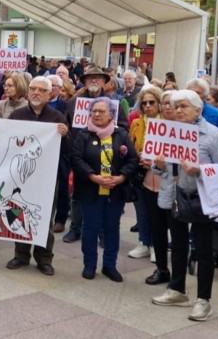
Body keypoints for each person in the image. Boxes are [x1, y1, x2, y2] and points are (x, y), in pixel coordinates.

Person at [150, 89, 218, 321]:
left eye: (183, 106)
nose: (177, 110)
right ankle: (177, 290)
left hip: (203, 200)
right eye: (175, 106)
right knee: (177, 246)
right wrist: (157, 165)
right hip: (176, 195)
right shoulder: (169, 133)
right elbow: (160, 169)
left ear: (198, 109)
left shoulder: (214, 135)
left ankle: (203, 300)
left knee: (204, 252)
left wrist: (200, 170)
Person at [4, 76, 70, 275]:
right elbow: (3, 139)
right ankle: (21, 255)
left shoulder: (57, 117)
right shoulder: (17, 115)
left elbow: (68, 150)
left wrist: (65, 135)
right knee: (18, 214)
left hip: (47, 178)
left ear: (50, 95)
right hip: (21, 177)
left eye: (42, 90)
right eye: (33, 89)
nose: (36, 93)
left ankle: (44, 258)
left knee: (44, 219)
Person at [71, 97, 139, 282]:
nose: (97, 114)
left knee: (111, 229)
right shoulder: (83, 135)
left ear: (111, 115)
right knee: (90, 229)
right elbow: (76, 159)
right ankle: (89, 265)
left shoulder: (121, 134)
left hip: (115, 192)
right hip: (90, 191)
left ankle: (110, 265)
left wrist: (121, 177)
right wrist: (93, 176)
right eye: (94, 111)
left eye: (102, 111)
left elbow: (133, 159)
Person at [62, 65, 129, 244]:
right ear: (83, 82)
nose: (93, 81)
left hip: (106, 156)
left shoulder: (113, 104)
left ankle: (101, 231)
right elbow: (66, 127)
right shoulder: (74, 103)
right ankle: (75, 228)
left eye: (97, 78)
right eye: (89, 78)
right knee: (77, 194)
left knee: (104, 195)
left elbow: (123, 127)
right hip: (81, 156)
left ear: (104, 82)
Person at [127, 87, 166, 278]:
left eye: (152, 102)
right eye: (145, 103)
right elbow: (130, 145)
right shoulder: (136, 123)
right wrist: (137, 157)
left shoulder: (167, 124)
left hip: (158, 175)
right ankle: (143, 242)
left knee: (156, 213)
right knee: (141, 210)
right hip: (139, 172)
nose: (148, 106)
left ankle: (155, 245)